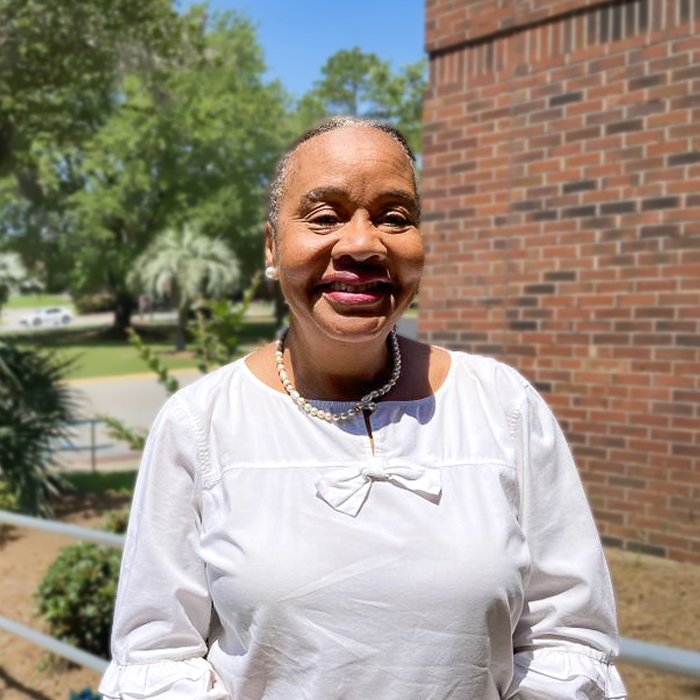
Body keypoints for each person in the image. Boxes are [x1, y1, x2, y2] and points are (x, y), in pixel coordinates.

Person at [100, 117, 626, 700]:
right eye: (324, 216)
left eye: (394, 218)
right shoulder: (200, 425)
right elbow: (158, 655)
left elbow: (568, 636)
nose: (362, 244)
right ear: (273, 247)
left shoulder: (502, 406)